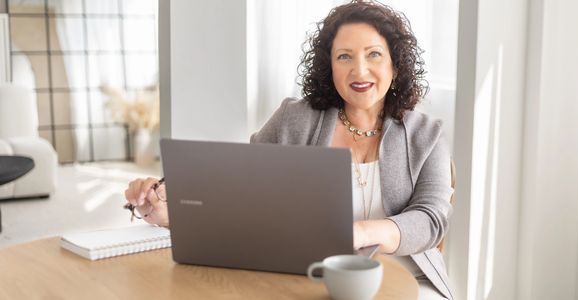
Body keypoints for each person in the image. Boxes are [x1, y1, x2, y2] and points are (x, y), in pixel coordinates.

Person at [124, 1, 454, 299]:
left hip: (411, 280)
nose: (360, 70)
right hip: (310, 280)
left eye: (374, 54)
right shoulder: (293, 119)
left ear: (395, 66)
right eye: (344, 56)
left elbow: (431, 220)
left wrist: (356, 233)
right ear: (330, 68)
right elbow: (236, 191)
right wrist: (170, 211)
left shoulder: (427, 135)